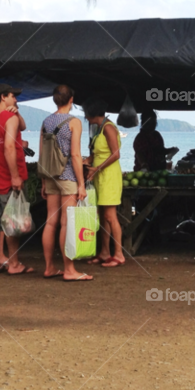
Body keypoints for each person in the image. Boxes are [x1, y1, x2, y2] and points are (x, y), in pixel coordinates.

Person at [39, 85, 92, 282]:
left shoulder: (46, 121)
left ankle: (49, 267)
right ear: (71, 100)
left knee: (50, 221)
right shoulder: (74, 122)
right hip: (68, 175)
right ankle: (69, 269)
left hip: (50, 175)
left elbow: (43, 153)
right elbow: (76, 155)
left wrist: (44, 181)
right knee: (65, 223)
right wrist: (81, 184)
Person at [0, 83, 34, 275]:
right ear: (3, 96)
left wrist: (18, 113)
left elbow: (23, 126)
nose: (16, 99)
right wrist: (15, 176)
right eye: (13, 96)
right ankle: (14, 264)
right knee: (12, 222)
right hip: (8, 176)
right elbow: (9, 147)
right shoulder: (9, 118)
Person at [84, 99, 125, 268]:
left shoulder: (108, 128)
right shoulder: (98, 129)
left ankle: (119, 254)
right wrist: (87, 161)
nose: (85, 117)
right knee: (102, 216)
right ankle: (105, 252)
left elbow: (116, 154)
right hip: (99, 175)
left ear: (92, 114)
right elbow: (96, 152)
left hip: (108, 175)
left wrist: (97, 168)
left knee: (110, 215)